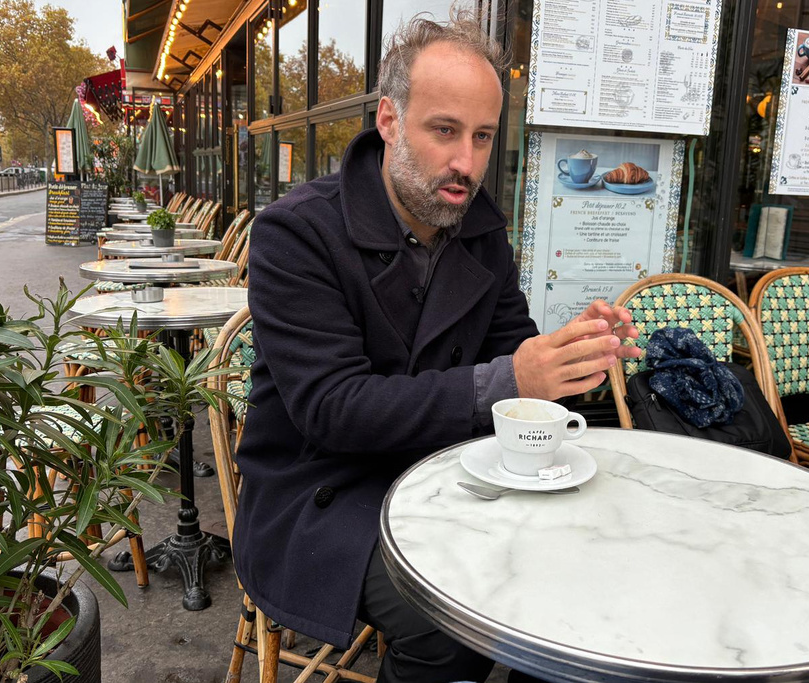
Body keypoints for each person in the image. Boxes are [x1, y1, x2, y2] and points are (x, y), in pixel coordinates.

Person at [236, 9, 641, 682]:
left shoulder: (479, 230)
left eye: (483, 137)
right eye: (445, 131)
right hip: (323, 492)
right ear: (389, 122)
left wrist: (580, 361)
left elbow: (517, 356)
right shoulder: (296, 233)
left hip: (451, 475)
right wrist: (511, 379)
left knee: (577, 568)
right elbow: (334, 408)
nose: (467, 162)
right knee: (449, 623)